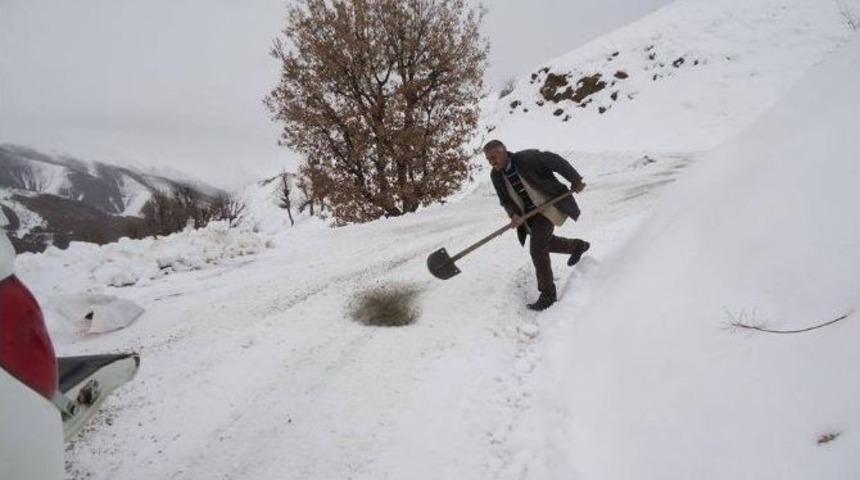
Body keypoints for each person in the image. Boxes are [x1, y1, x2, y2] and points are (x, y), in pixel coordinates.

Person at [484, 140, 590, 311]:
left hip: (548, 205)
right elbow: (505, 200)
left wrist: (575, 180)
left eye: (494, 157)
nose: (492, 162)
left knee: (537, 247)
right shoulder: (496, 175)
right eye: (488, 159)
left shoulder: (527, 158)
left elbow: (555, 161)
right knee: (544, 243)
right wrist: (513, 214)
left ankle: (548, 294)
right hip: (529, 214)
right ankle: (577, 246)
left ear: (503, 152)